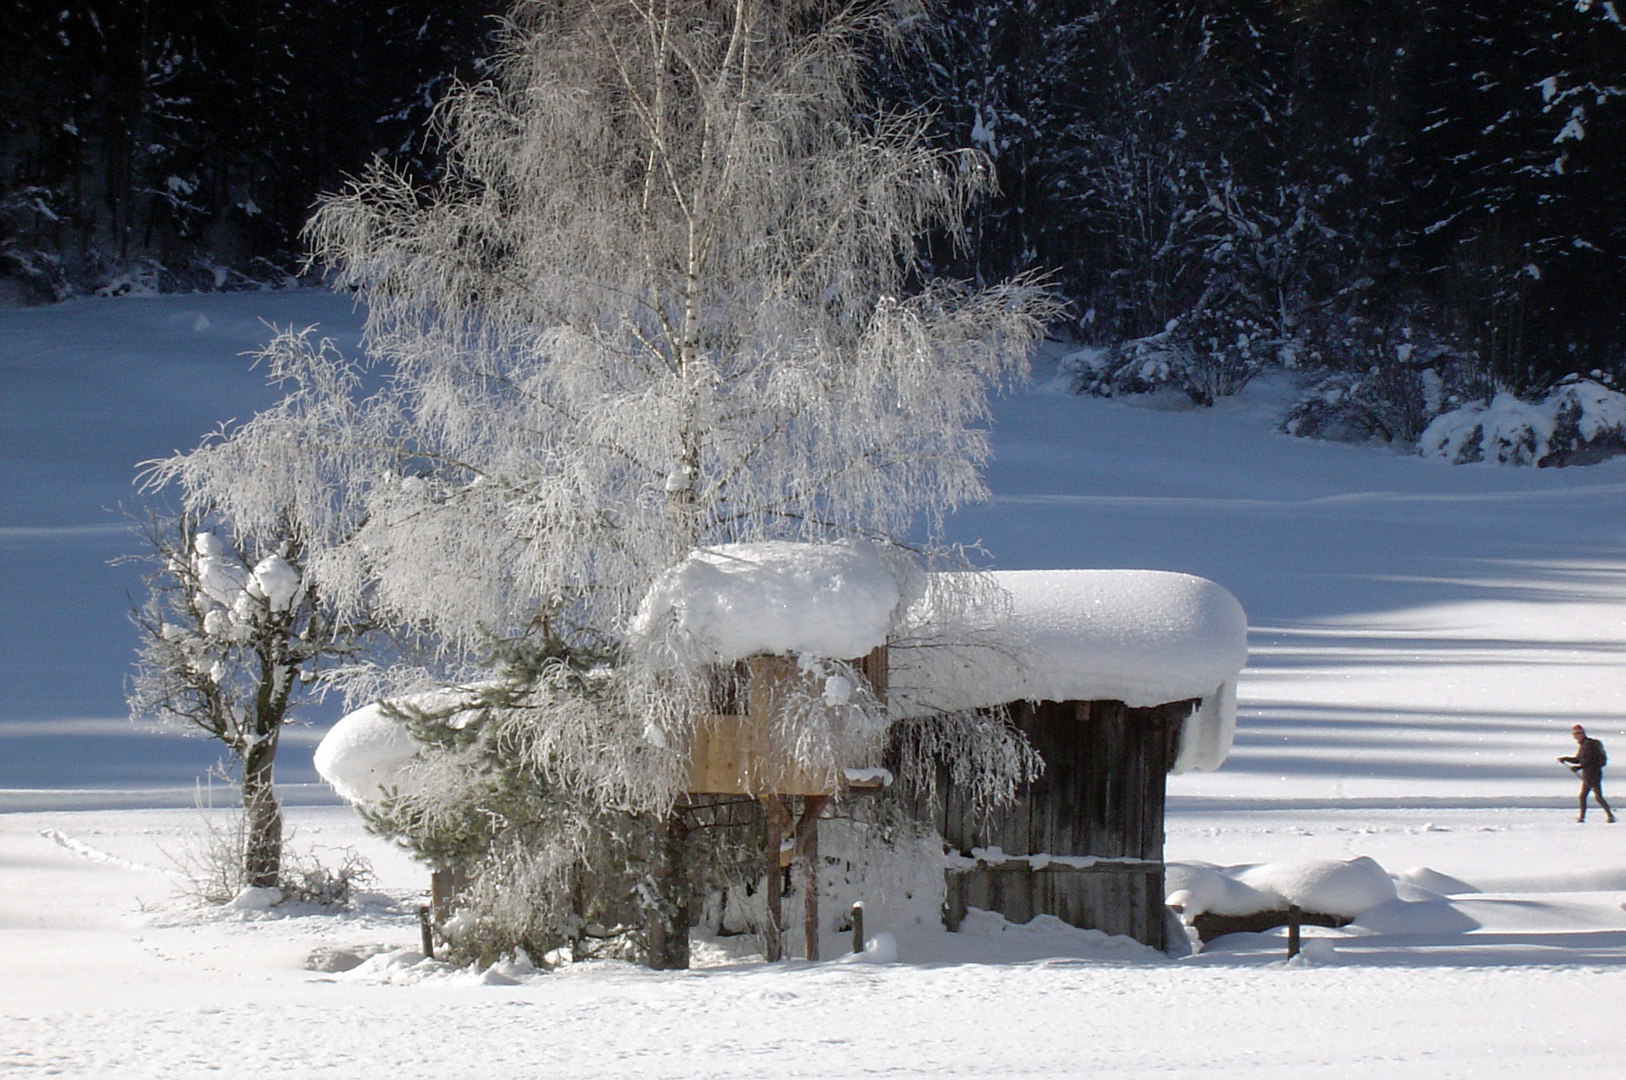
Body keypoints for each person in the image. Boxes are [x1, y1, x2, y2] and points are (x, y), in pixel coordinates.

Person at [1558, 724, 1616, 823]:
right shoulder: (1584, 745)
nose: (1574, 737)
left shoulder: (1589, 744)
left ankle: (1609, 816)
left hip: (1593, 774)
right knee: (1585, 796)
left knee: (1596, 796)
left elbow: (1590, 761)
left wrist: (1579, 767)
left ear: (1581, 734)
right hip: (1588, 774)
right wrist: (1565, 759)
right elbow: (1578, 759)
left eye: (1576, 734)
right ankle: (1584, 817)